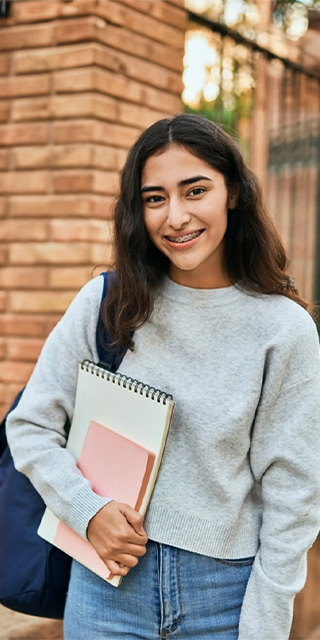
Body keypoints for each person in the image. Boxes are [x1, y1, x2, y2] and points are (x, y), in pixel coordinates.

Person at [6, 114, 320, 640]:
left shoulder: (283, 328)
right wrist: (88, 511)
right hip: (105, 588)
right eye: (154, 198)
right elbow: (30, 425)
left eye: (195, 190)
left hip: (226, 597)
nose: (175, 217)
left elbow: (293, 493)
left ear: (234, 193)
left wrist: (266, 623)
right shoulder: (107, 303)